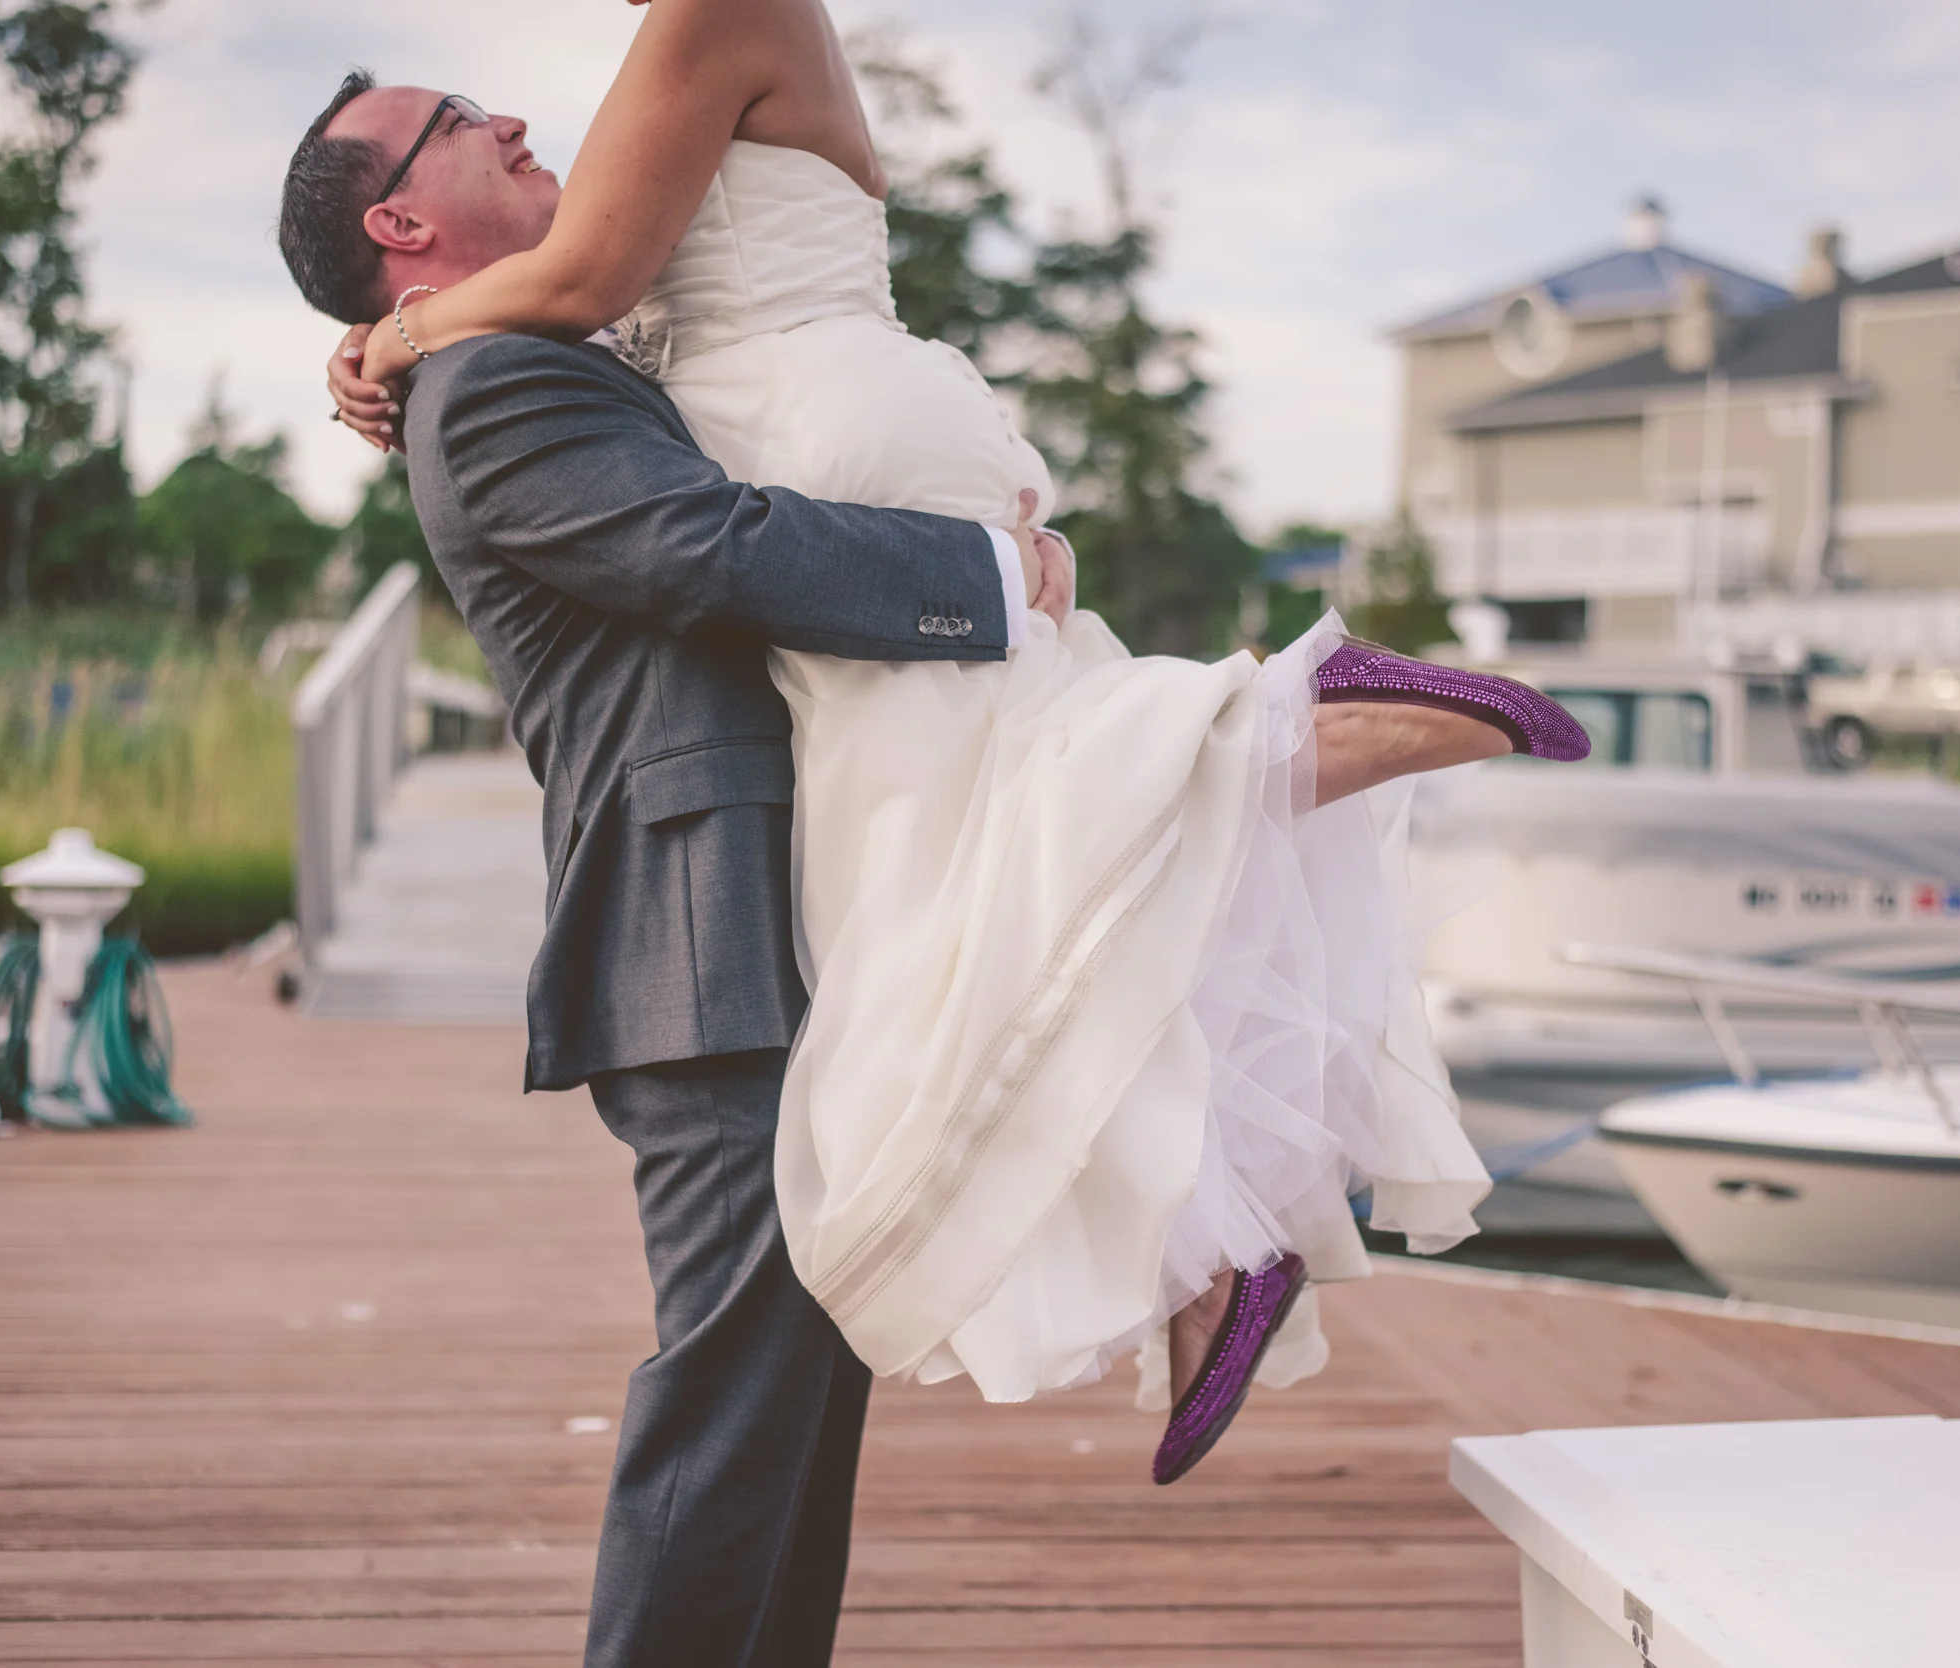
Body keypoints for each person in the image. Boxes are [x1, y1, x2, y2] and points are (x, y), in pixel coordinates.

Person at [278, 5, 1584, 1660]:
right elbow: (697, 547)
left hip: (759, 891)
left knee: (811, 1341)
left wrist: (389, 336)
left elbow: (630, 320)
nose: (513, 122)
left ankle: (1229, 1180)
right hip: (698, 933)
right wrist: (974, 570)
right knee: (739, 1394)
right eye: (460, 121)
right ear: (399, 221)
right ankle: (1267, 796)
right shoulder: (488, 384)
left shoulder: (501, 350)